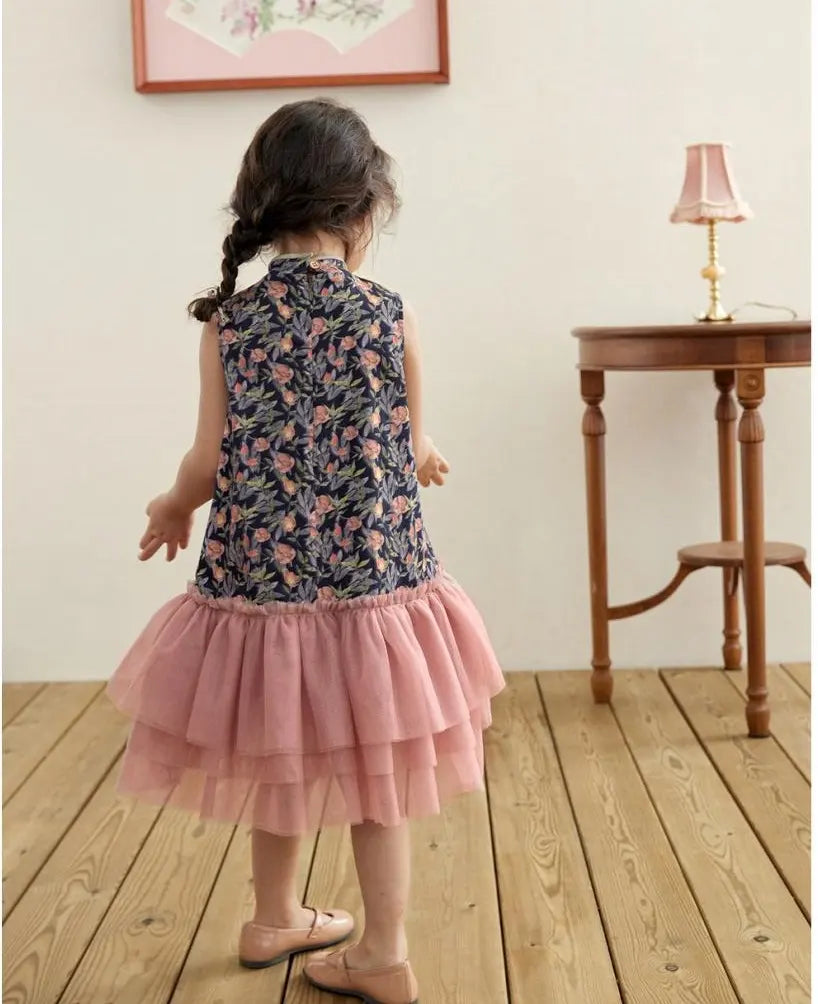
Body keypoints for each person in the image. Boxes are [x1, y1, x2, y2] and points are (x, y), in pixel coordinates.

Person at [107, 98, 504, 1004]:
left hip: (264, 586)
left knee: (273, 751)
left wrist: (173, 507)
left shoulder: (231, 323)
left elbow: (208, 462)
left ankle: (273, 915)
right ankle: (384, 953)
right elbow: (403, 433)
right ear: (362, 211)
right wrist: (424, 450)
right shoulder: (385, 312)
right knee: (379, 773)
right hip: (374, 583)